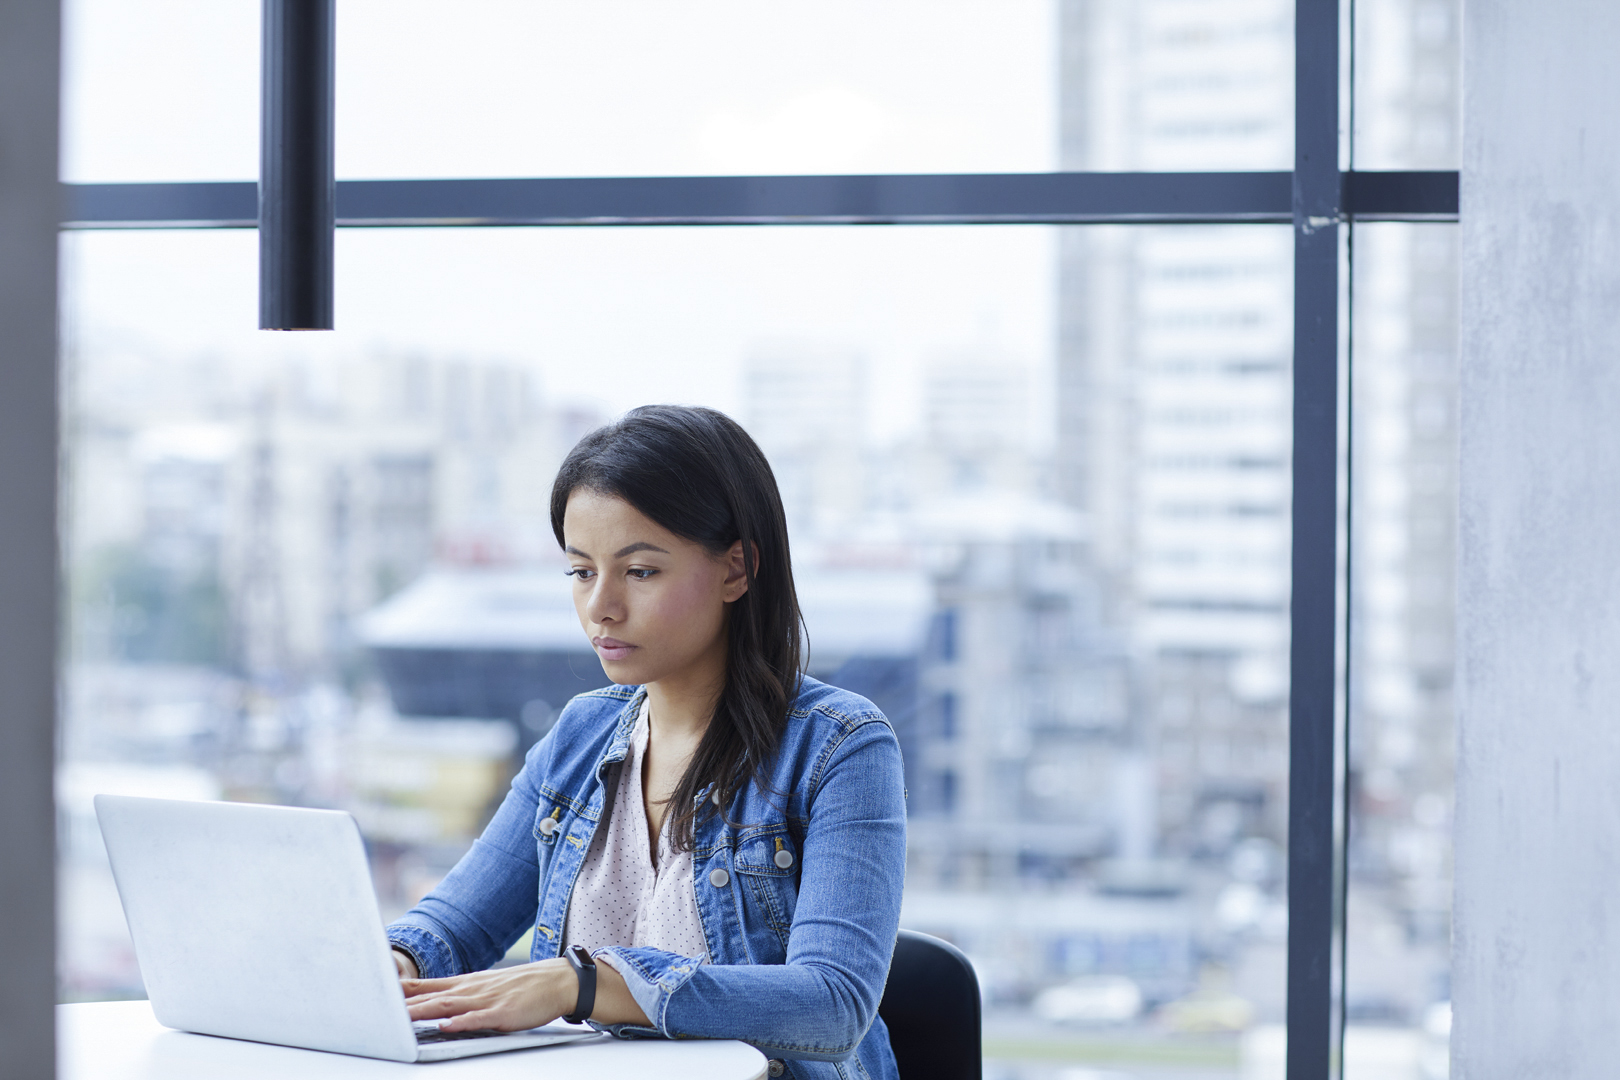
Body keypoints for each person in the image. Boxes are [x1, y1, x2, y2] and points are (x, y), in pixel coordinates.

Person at [385, 405, 908, 1080]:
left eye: (640, 572)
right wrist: (393, 967)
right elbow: (452, 929)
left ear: (737, 570)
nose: (601, 606)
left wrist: (582, 984)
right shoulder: (582, 735)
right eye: (580, 571)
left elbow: (832, 1005)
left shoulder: (841, 747)